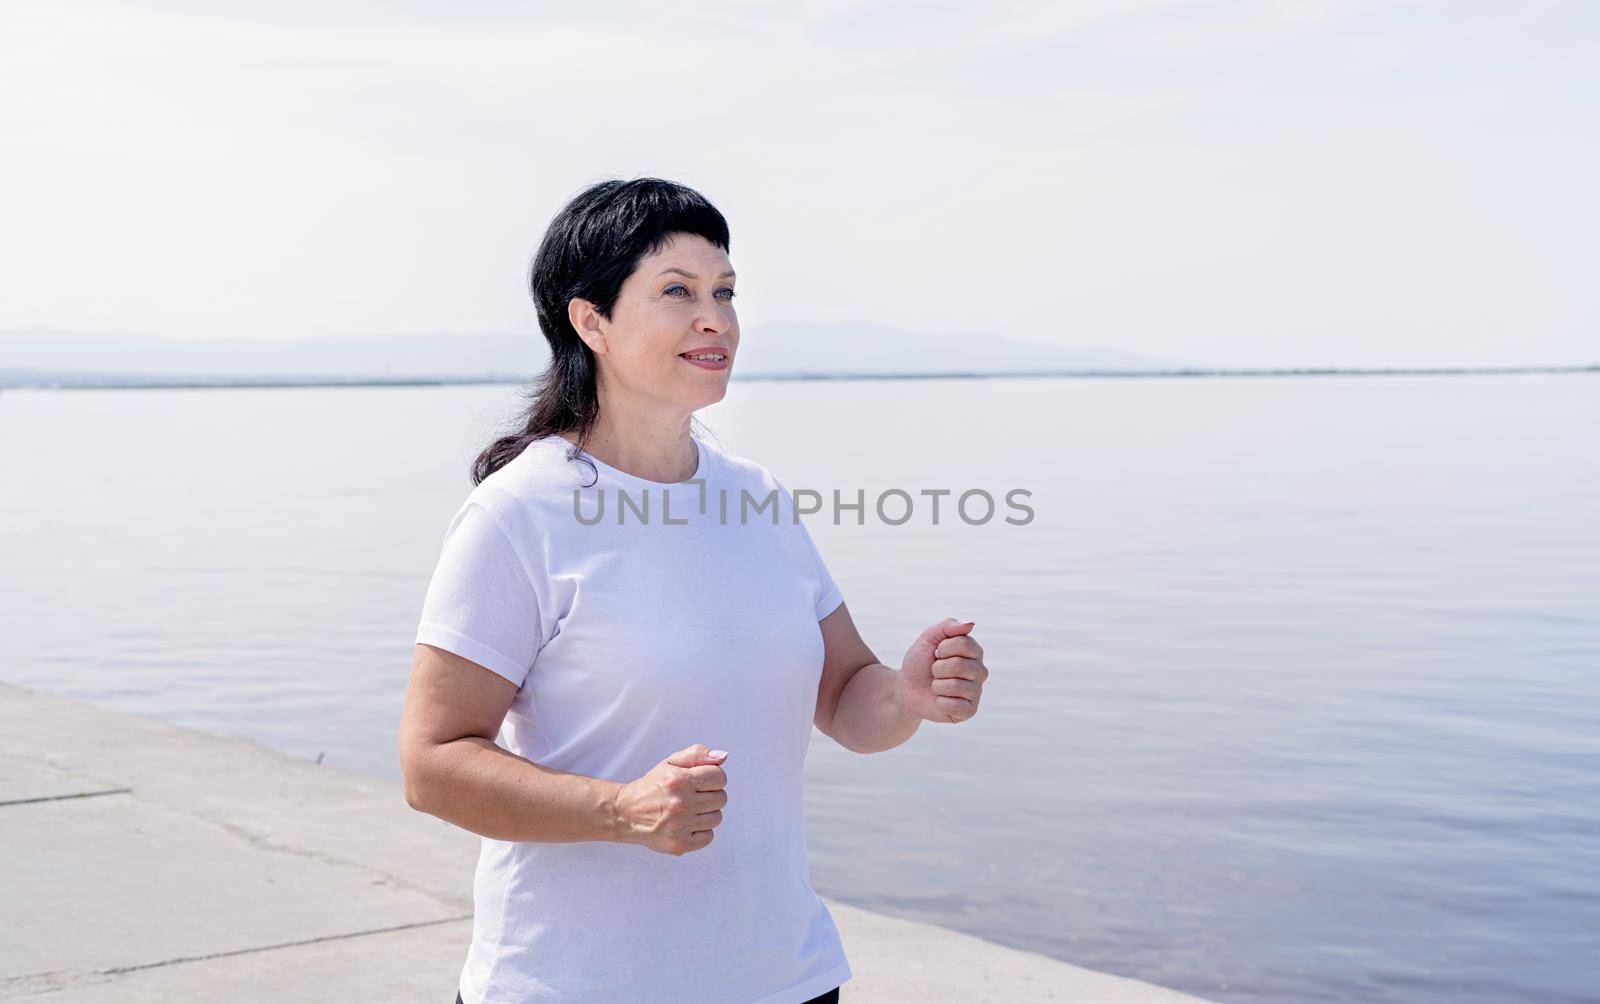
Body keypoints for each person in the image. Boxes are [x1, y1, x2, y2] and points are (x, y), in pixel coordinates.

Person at [398, 177, 990, 1003]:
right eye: (676, 292)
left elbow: (850, 701)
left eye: (725, 292)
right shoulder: (518, 514)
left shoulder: (757, 498)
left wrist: (910, 693)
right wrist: (620, 809)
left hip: (784, 977)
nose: (715, 317)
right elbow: (432, 764)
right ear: (590, 320)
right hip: (577, 984)